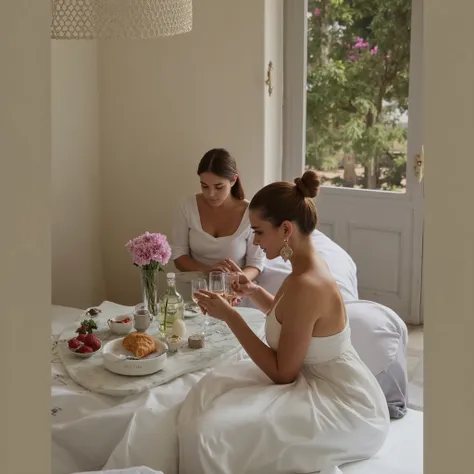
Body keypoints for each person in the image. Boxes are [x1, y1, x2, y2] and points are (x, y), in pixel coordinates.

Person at [177, 170, 390, 474]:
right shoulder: (304, 268)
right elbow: (290, 318)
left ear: (286, 229)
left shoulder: (308, 284)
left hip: (343, 404)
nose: (256, 241)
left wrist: (230, 315)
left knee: (210, 432)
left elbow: (282, 373)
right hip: (317, 379)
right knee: (210, 394)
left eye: (259, 232)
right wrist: (253, 290)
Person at [171, 148, 264, 281]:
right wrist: (207, 271)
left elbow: (256, 264)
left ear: (233, 180)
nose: (211, 194)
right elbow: (178, 255)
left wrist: (238, 278)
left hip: (236, 290)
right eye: (204, 186)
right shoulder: (186, 206)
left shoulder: (251, 213)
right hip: (196, 287)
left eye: (219, 187)